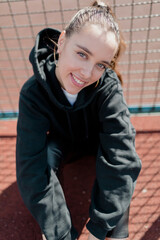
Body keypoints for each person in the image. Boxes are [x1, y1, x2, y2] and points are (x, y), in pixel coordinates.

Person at [16, 1, 141, 240]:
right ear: (62, 42)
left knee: (120, 163)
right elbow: (30, 166)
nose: (86, 73)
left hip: (98, 142)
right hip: (64, 144)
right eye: (82, 54)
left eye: (100, 65)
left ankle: (116, 231)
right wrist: (59, 233)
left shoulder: (108, 88)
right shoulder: (33, 93)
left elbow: (122, 158)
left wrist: (99, 229)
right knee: (46, 155)